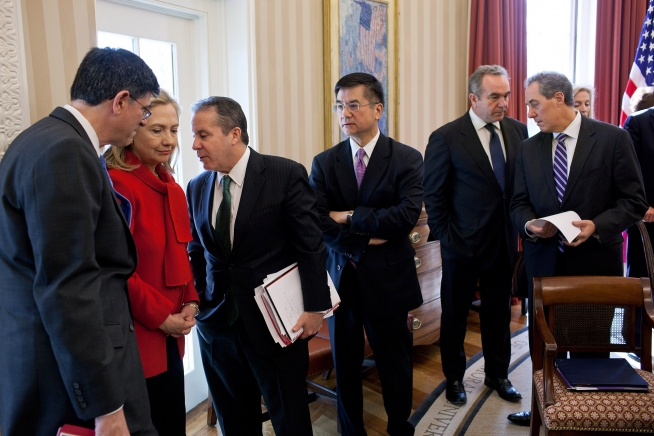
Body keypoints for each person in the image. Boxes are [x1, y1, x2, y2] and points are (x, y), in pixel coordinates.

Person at [0, 47, 159, 435]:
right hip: (66, 379)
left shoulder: (37, 140)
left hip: (45, 360)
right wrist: (106, 405)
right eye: (144, 110)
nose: (143, 121)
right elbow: (68, 288)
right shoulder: (65, 152)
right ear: (120, 101)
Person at [507, 71, 648, 426]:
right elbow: (518, 204)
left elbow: (633, 201)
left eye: (534, 104)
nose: (529, 113)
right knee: (543, 350)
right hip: (544, 267)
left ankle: (589, 418)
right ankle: (544, 409)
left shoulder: (613, 139)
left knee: (592, 351)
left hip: (595, 266)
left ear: (558, 98)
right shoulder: (528, 148)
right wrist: (530, 225)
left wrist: (597, 225)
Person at [187, 96, 332, 436]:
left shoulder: (284, 174)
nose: (194, 145)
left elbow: (310, 246)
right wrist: (200, 302)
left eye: (203, 135)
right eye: (194, 136)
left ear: (234, 134)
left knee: (290, 421)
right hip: (217, 327)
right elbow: (196, 249)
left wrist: (316, 308)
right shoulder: (196, 187)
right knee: (234, 421)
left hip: (275, 327)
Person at [309, 72, 424, 436]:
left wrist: (348, 216)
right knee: (345, 366)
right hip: (341, 278)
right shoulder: (324, 162)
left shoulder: (406, 158)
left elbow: (404, 218)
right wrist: (364, 238)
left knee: (394, 363)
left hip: (388, 278)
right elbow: (317, 222)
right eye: (339, 106)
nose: (344, 113)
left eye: (353, 105)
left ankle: (399, 427)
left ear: (377, 109)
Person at [423, 65, 527, 406]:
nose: (503, 103)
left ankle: (498, 374)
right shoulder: (447, 137)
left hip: (503, 243)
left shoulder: (518, 131)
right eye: (494, 96)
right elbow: (434, 195)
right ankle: (454, 378)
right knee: (454, 317)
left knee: (498, 314)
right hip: (460, 245)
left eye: (506, 96)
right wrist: (447, 238)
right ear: (474, 98)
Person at [104, 89, 199, 435]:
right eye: (157, 130)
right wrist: (162, 318)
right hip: (139, 334)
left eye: (174, 130)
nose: (169, 140)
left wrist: (191, 301)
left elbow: (182, 254)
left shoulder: (172, 186)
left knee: (172, 421)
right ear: (132, 130)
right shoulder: (116, 185)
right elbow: (116, 270)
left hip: (173, 330)